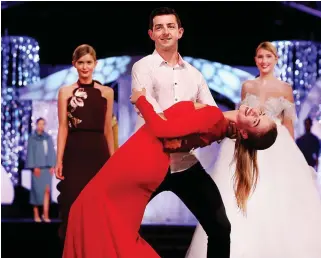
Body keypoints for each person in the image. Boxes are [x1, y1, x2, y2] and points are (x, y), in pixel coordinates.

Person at [61, 87, 277, 258]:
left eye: (256, 120)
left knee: (219, 227)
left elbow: (164, 130)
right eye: (261, 113)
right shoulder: (220, 121)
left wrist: (142, 100)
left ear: (245, 135)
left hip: (159, 164)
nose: (255, 111)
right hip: (154, 164)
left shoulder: (215, 119)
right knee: (114, 222)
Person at [186, 42, 321, 258]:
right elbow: (241, 117)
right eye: (260, 57)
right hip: (245, 144)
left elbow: (288, 124)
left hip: (276, 145)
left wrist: (294, 157)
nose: (264, 61)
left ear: (275, 59)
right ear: (255, 59)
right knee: (238, 192)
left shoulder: (285, 88)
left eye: (268, 57)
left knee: (276, 196)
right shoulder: (248, 86)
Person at [131, 7, 232, 257]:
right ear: (151, 34)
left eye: (170, 26)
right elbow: (152, 115)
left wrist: (193, 121)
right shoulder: (142, 67)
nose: (165, 31)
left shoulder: (195, 75)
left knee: (220, 226)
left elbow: (212, 115)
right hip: (149, 163)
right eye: (159, 27)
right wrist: (190, 116)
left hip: (185, 162)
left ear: (180, 31)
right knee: (122, 224)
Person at [55, 44, 114, 242]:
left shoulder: (106, 92)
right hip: (74, 152)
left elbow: (107, 128)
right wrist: (59, 160)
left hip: (98, 152)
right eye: (81, 62)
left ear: (95, 64)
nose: (85, 67)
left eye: (89, 62)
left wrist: (113, 160)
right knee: (72, 202)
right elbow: (63, 127)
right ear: (74, 64)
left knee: (98, 205)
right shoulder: (65, 92)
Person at [25, 117, 56, 222]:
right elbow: (30, 153)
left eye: (43, 124)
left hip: (47, 169)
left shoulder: (48, 138)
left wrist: (52, 165)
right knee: (36, 192)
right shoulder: (32, 138)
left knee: (47, 191)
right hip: (37, 169)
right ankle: (36, 215)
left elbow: (51, 152)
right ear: (36, 125)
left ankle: (46, 215)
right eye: (39, 124)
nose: (41, 126)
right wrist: (34, 167)